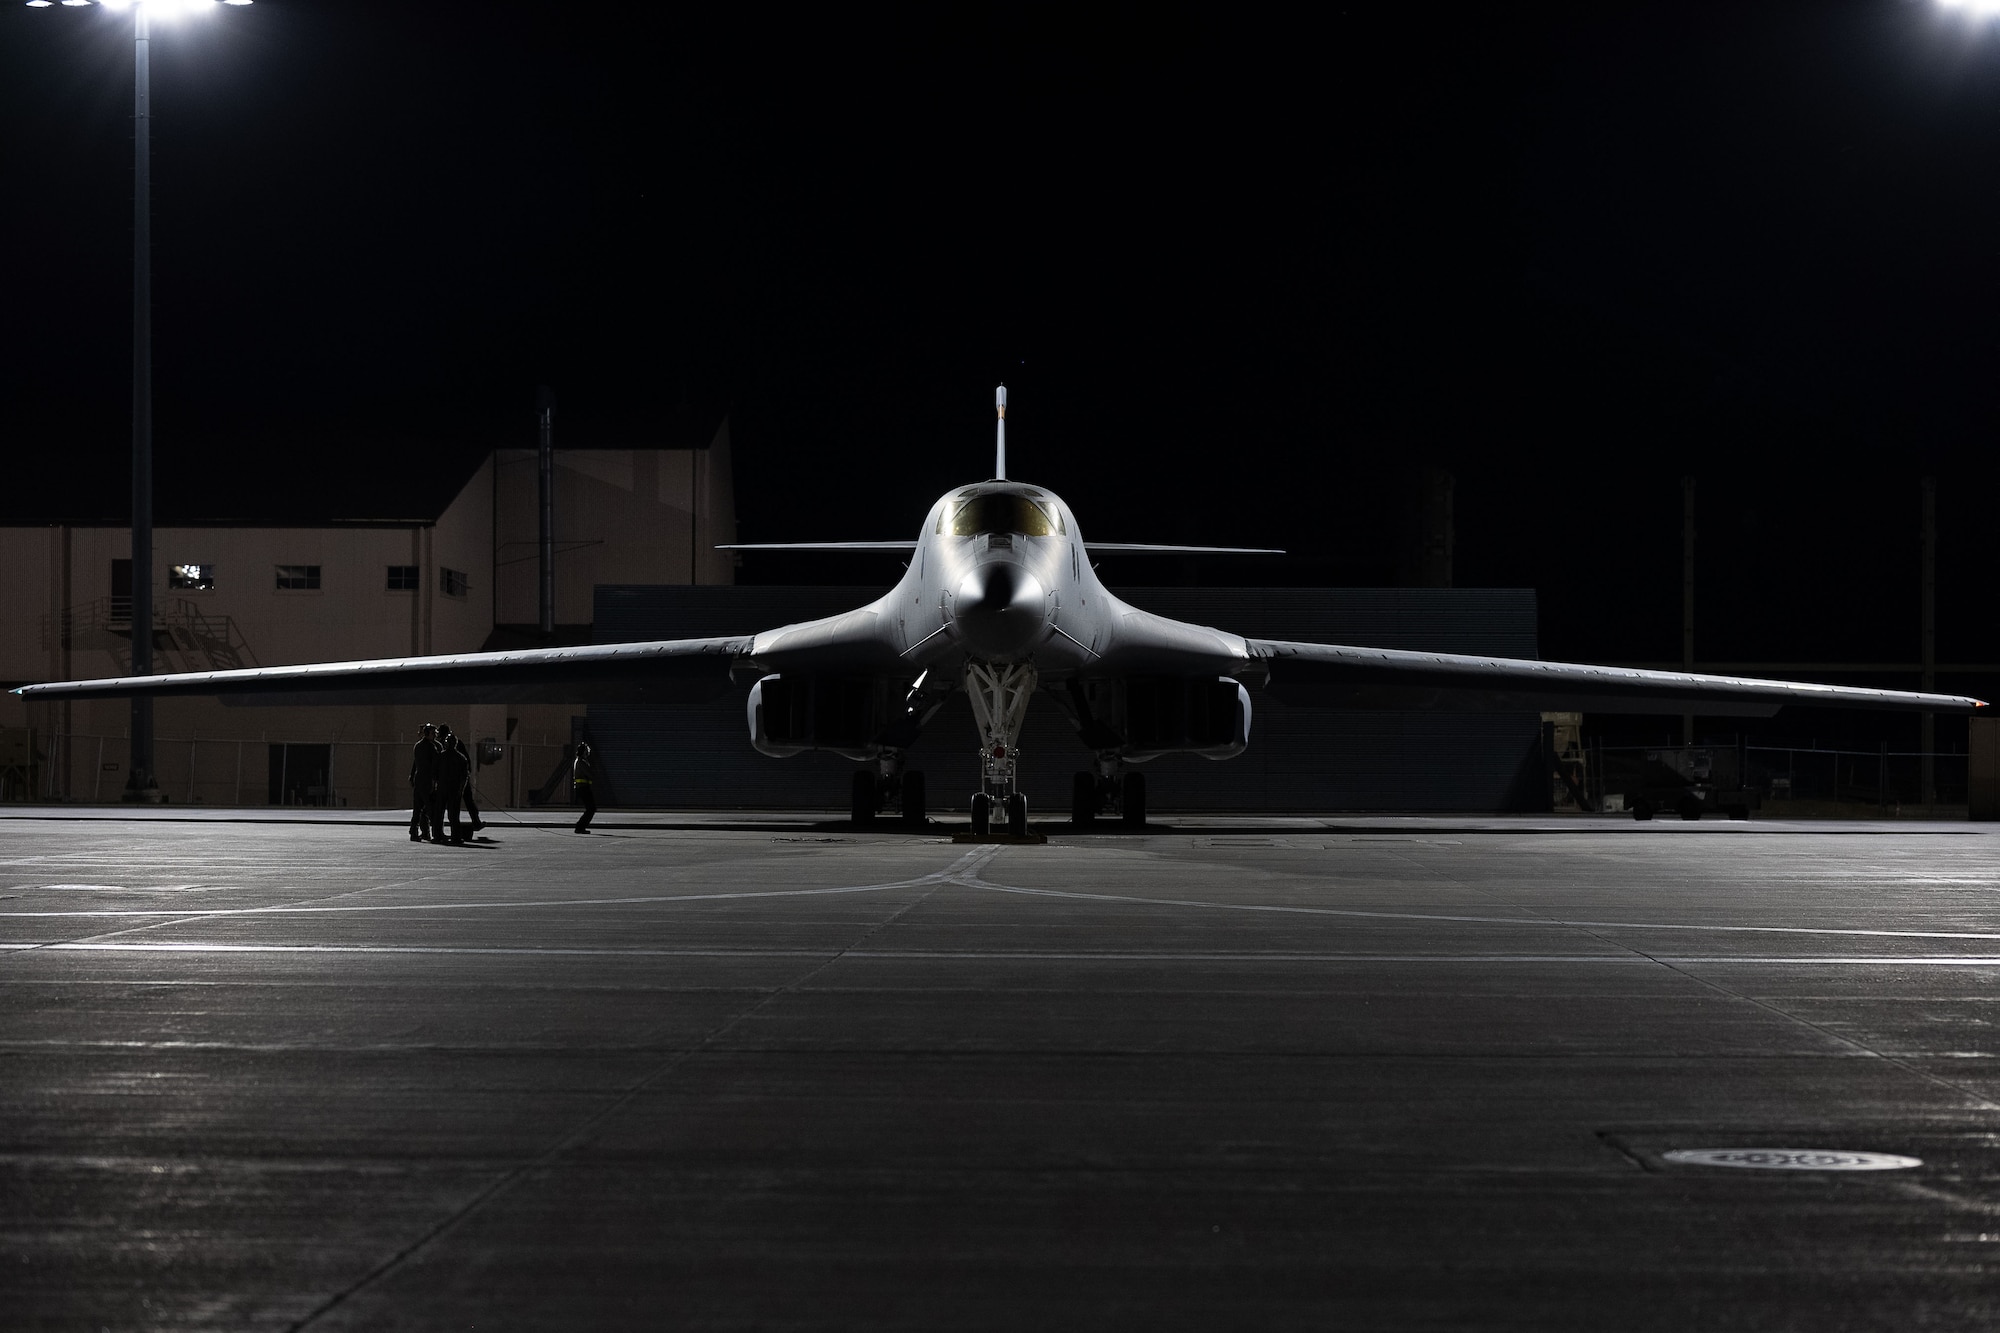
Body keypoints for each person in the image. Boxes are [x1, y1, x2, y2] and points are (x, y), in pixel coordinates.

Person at [434, 724, 470, 845]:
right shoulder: (461, 758)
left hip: (442, 788)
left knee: (439, 813)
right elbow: (465, 776)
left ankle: (437, 835)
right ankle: (455, 836)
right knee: (454, 814)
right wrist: (461, 789)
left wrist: (436, 784)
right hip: (454, 790)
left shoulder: (441, 757)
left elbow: (434, 773)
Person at [407, 723, 440, 842]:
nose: (435, 736)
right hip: (427, 780)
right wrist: (435, 780)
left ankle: (413, 831)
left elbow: (416, 764)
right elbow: (436, 764)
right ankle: (436, 833)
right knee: (430, 808)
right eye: (433, 733)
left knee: (417, 808)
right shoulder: (432, 747)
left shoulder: (417, 746)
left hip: (418, 779)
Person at [450, 730, 484, 833]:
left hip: (454, 781)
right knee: (467, 802)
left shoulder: (445, 749)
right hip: (460, 779)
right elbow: (467, 761)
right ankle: (475, 821)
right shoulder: (459, 752)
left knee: (455, 805)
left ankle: (452, 829)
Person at [572, 740, 597, 834]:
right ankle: (579, 827)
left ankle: (580, 827)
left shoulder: (579, 761)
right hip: (583, 788)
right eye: (586, 751)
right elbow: (590, 774)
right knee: (591, 808)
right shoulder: (581, 762)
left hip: (582, 788)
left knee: (590, 808)